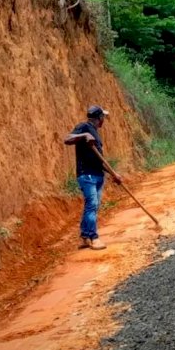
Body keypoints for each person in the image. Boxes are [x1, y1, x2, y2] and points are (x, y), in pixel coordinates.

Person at [64, 105, 122, 250]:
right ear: (99, 118)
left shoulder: (95, 133)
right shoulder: (84, 127)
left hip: (97, 174)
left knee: (92, 207)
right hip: (87, 175)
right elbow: (67, 139)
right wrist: (83, 136)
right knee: (92, 205)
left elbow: (99, 159)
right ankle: (94, 238)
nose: (104, 120)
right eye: (103, 117)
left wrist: (113, 174)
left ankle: (85, 238)